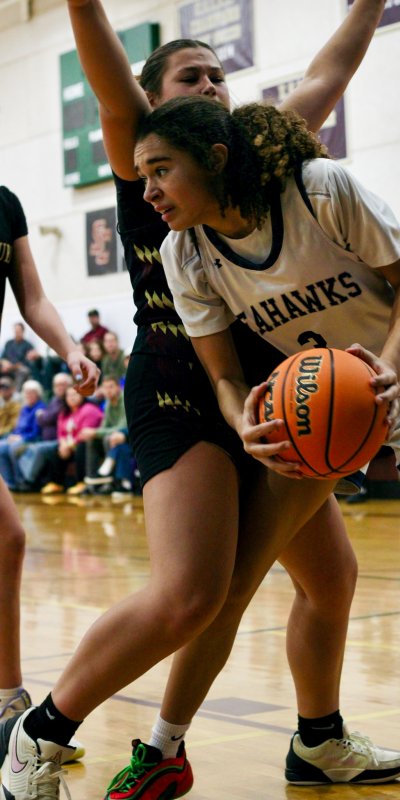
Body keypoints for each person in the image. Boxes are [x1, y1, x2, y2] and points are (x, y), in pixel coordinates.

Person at [0, 3, 400, 799]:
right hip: (180, 385)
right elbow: (110, 83)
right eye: (192, 76)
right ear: (156, 105)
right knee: (190, 594)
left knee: (330, 581)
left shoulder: (252, 159)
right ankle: (40, 734)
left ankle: (318, 740)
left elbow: (329, 72)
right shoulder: (148, 164)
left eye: (220, 75)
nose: (214, 85)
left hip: (274, 393)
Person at [139, 96, 400, 738]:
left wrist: (389, 364)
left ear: (214, 159)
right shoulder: (184, 255)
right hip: (320, 403)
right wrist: (243, 423)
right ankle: (164, 749)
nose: (149, 191)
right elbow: (226, 377)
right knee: (235, 581)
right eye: (143, 176)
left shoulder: (317, 191)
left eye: (161, 170)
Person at [0, 185, 97, 753]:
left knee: (7, 539)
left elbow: (31, 298)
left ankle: (7, 702)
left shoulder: (6, 204)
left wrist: (70, 349)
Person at [40, 386, 104, 496]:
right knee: (54, 449)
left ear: (82, 396)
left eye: (75, 394)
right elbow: (60, 433)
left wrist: (69, 445)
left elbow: (85, 433)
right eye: (69, 395)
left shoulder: (90, 409)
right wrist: (63, 444)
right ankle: (56, 483)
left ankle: (81, 483)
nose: (72, 397)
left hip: (88, 443)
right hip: (70, 446)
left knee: (82, 447)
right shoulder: (64, 413)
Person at [15, 373, 73, 490]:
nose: (59, 387)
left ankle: (29, 481)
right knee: (19, 449)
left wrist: (43, 416)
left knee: (35, 448)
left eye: (62, 384)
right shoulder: (54, 400)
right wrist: (43, 417)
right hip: (45, 438)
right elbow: (43, 419)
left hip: (57, 439)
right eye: (57, 385)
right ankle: (20, 480)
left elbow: (47, 418)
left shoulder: (66, 401)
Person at [81, 374, 134, 496]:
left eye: (111, 387)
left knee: (108, 438)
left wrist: (95, 432)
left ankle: (111, 481)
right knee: (92, 440)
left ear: (118, 387)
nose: (108, 390)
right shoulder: (108, 403)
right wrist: (94, 433)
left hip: (129, 436)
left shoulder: (125, 400)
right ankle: (93, 481)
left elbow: (123, 427)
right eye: (105, 387)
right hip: (115, 437)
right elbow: (104, 427)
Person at [0, 380, 46, 489]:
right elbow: (18, 428)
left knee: (14, 448)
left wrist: (20, 437)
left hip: (33, 438)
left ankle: (21, 481)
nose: (28, 395)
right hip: (19, 437)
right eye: (26, 393)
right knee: (1, 447)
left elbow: (36, 432)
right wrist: (13, 435)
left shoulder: (40, 408)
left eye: (31, 393)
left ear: (38, 394)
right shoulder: (24, 408)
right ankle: (9, 482)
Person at [0, 322, 34, 389]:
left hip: (18, 368)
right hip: (6, 367)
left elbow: (26, 362)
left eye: (18, 331)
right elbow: (2, 357)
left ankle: (16, 392)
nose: (17, 333)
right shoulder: (9, 343)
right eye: (15, 331)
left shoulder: (28, 345)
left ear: (23, 331)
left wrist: (12, 366)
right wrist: (4, 363)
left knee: (23, 371)